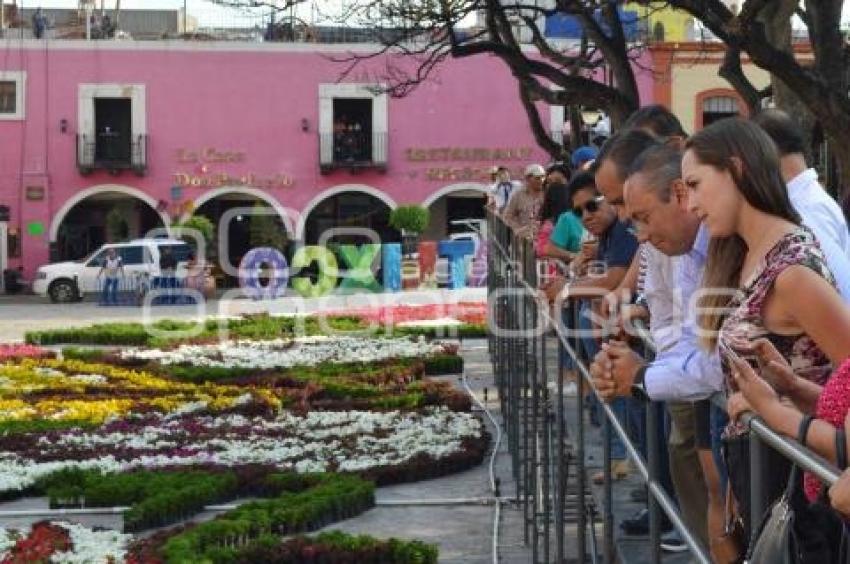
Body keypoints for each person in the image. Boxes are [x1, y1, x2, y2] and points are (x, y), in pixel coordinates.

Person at [685, 118, 850, 533]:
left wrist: (783, 408)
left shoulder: (791, 271)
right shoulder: (747, 256)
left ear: (736, 170)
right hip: (764, 475)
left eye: (695, 184)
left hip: (801, 491)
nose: (689, 204)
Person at [544, 172, 639, 485]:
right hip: (608, 336)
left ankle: (622, 459)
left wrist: (568, 288)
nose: (586, 216)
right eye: (578, 211)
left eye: (592, 206)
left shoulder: (624, 230)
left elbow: (614, 281)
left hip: (624, 340)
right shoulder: (611, 235)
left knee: (622, 399)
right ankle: (620, 458)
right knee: (610, 394)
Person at [501, 163, 546, 237]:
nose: (541, 180)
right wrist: (518, 228)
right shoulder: (518, 195)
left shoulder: (548, 194)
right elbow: (507, 216)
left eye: (543, 177)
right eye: (537, 178)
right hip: (524, 240)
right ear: (528, 179)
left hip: (544, 239)